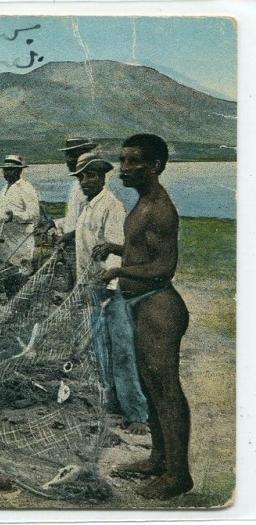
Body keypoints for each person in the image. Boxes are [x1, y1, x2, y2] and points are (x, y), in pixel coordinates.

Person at [94, 134, 193, 499]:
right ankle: (158, 459)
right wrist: (116, 248)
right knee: (151, 387)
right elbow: (141, 249)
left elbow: (165, 267)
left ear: (156, 166)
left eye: (134, 161)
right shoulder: (143, 203)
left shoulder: (159, 208)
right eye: (122, 160)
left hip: (158, 306)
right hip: (142, 305)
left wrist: (119, 272)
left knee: (166, 391)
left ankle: (178, 475)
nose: (125, 169)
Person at [65, 152, 149, 435]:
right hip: (91, 286)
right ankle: (113, 402)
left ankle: (136, 412)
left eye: (91, 175)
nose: (85, 181)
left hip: (110, 289)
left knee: (122, 348)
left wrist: (111, 289)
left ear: (102, 177)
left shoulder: (111, 206)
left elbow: (116, 248)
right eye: (81, 177)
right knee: (99, 346)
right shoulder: (88, 206)